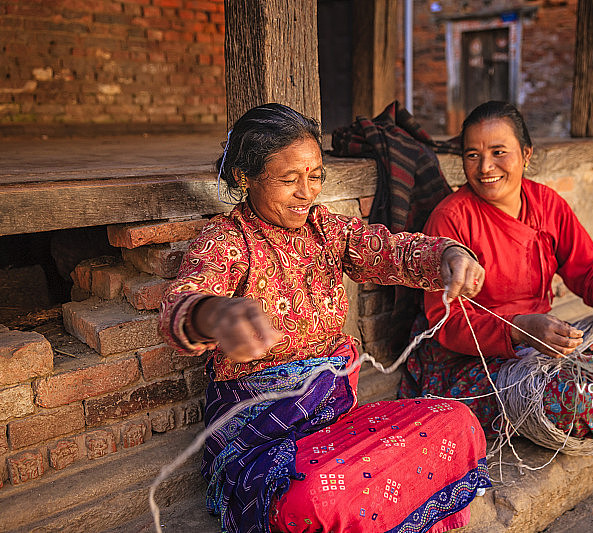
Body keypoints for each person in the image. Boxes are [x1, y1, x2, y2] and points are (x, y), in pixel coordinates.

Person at [159, 103, 491, 533]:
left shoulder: (327, 231)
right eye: (288, 180)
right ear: (245, 178)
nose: (306, 193)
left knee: (457, 424)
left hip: (336, 427)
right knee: (315, 496)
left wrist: (448, 253)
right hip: (268, 446)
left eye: (315, 176)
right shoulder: (226, 241)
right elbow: (180, 302)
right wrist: (214, 313)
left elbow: (390, 249)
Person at [399, 101, 593, 439]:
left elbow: (588, 269)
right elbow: (446, 322)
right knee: (562, 400)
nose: (485, 167)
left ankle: (587, 401)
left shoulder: (547, 204)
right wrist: (518, 329)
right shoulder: (451, 218)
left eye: (499, 152)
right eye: (472, 155)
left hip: (541, 347)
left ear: (526, 154)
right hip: (471, 362)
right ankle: (592, 401)